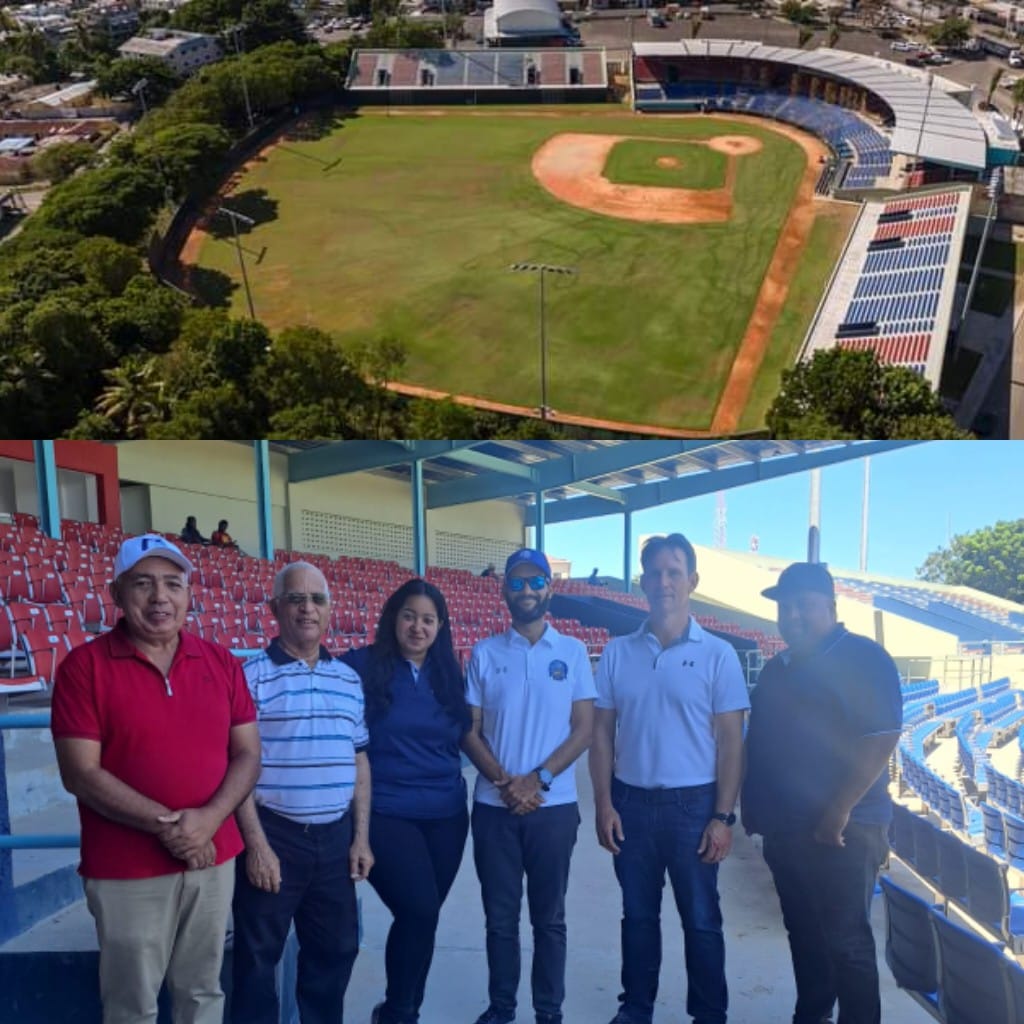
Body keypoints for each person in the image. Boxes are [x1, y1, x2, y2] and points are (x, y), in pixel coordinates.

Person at [50, 534, 262, 1024]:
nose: (160, 597)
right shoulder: (84, 668)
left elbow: (248, 755)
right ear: (117, 594)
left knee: (203, 994)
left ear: (189, 594)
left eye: (173, 583)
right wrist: (176, 829)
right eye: (143, 584)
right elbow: (79, 773)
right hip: (126, 869)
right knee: (131, 1006)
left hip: (213, 860)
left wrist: (208, 821)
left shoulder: (222, 662)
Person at [589, 533, 749, 1024]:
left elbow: (731, 743)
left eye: (674, 572)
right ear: (642, 582)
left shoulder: (718, 654)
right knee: (637, 917)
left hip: (694, 808)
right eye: (655, 573)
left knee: (701, 920)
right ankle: (636, 1008)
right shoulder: (617, 652)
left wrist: (722, 816)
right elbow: (600, 736)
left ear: (692, 581)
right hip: (630, 804)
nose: (664, 582)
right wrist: (603, 804)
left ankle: (708, 1014)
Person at [742, 562, 902, 1024]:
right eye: (784, 607)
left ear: (830, 607)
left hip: (846, 830)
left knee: (847, 943)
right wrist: (752, 805)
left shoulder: (864, 658)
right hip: (786, 830)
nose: (792, 615)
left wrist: (839, 809)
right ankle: (811, 1016)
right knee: (805, 935)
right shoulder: (777, 669)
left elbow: (882, 736)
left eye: (803, 606)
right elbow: (761, 741)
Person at [230, 561, 373, 1024]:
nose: (307, 608)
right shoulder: (248, 679)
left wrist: (360, 837)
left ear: (330, 610)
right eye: (295, 599)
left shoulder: (349, 680)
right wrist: (257, 847)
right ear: (275, 608)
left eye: (317, 599)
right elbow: (236, 766)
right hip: (275, 836)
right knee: (256, 960)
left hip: (335, 839)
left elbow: (359, 760)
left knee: (336, 952)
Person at [463, 548, 596, 1024]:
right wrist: (505, 783)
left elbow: (583, 728)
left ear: (549, 587)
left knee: (549, 919)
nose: (526, 591)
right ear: (504, 591)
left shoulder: (574, 652)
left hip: (553, 806)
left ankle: (548, 1012)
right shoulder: (485, 652)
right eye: (516, 583)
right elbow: (469, 728)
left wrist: (536, 780)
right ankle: (502, 1008)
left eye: (534, 581)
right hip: (494, 807)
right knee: (500, 920)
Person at [342, 578, 471, 1024]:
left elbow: (466, 736)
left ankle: (404, 1009)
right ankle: (399, 1013)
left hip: (449, 816)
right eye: (409, 616)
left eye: (429, 620)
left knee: (425, 917)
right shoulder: (359, 666)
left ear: (441, 627)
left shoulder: (449, 674)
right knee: (416, 910)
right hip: (387, 812)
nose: (418, 627)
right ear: (393, 618)